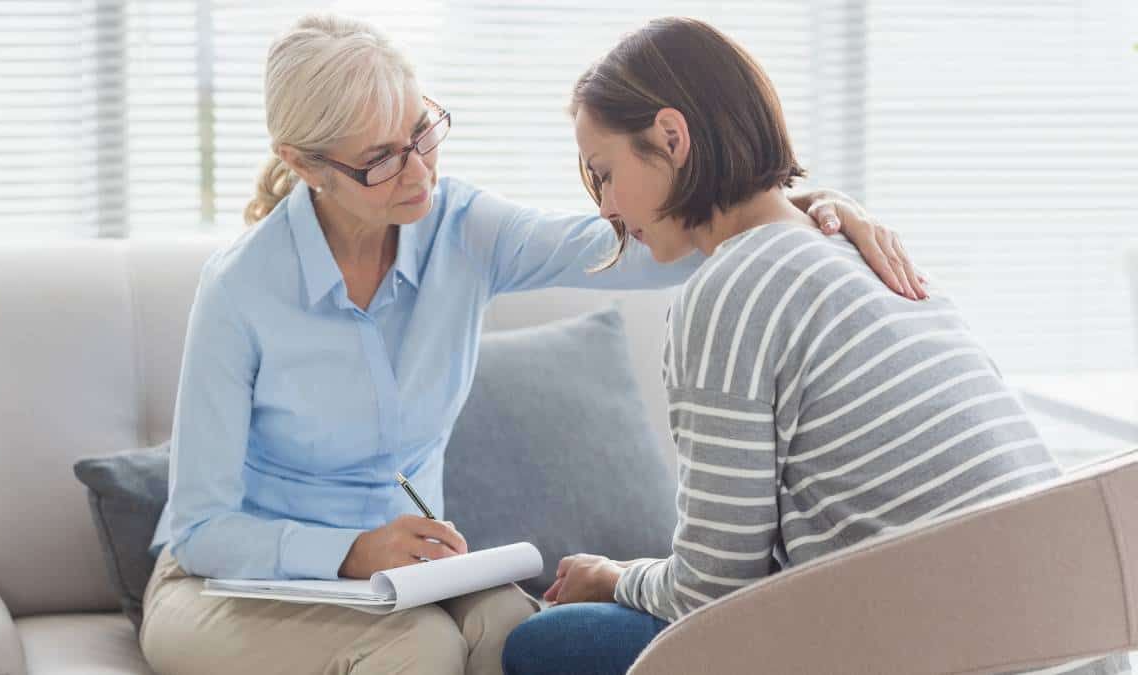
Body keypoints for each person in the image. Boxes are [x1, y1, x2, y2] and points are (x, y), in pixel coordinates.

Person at [138, 13, 925, 675]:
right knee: (419, 654)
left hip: (402, 580)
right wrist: (350, 550)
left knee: (515, 639)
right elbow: (204, 529)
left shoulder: (459, 228)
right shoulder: (241, 288)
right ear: (305, 165)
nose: (418, 172)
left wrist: (801, 206)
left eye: (421, 131)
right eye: (381, 158)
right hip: (225, 585)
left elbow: (647, 240)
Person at [501, 17, 1130, 675]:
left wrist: (614, 575)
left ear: (670, 136)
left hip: (951, 650)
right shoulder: (868, 256)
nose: (603, 207)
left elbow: (711, 595)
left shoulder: (728, 294)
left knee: (549, 643)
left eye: (603, 174)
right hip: (1076, 644)